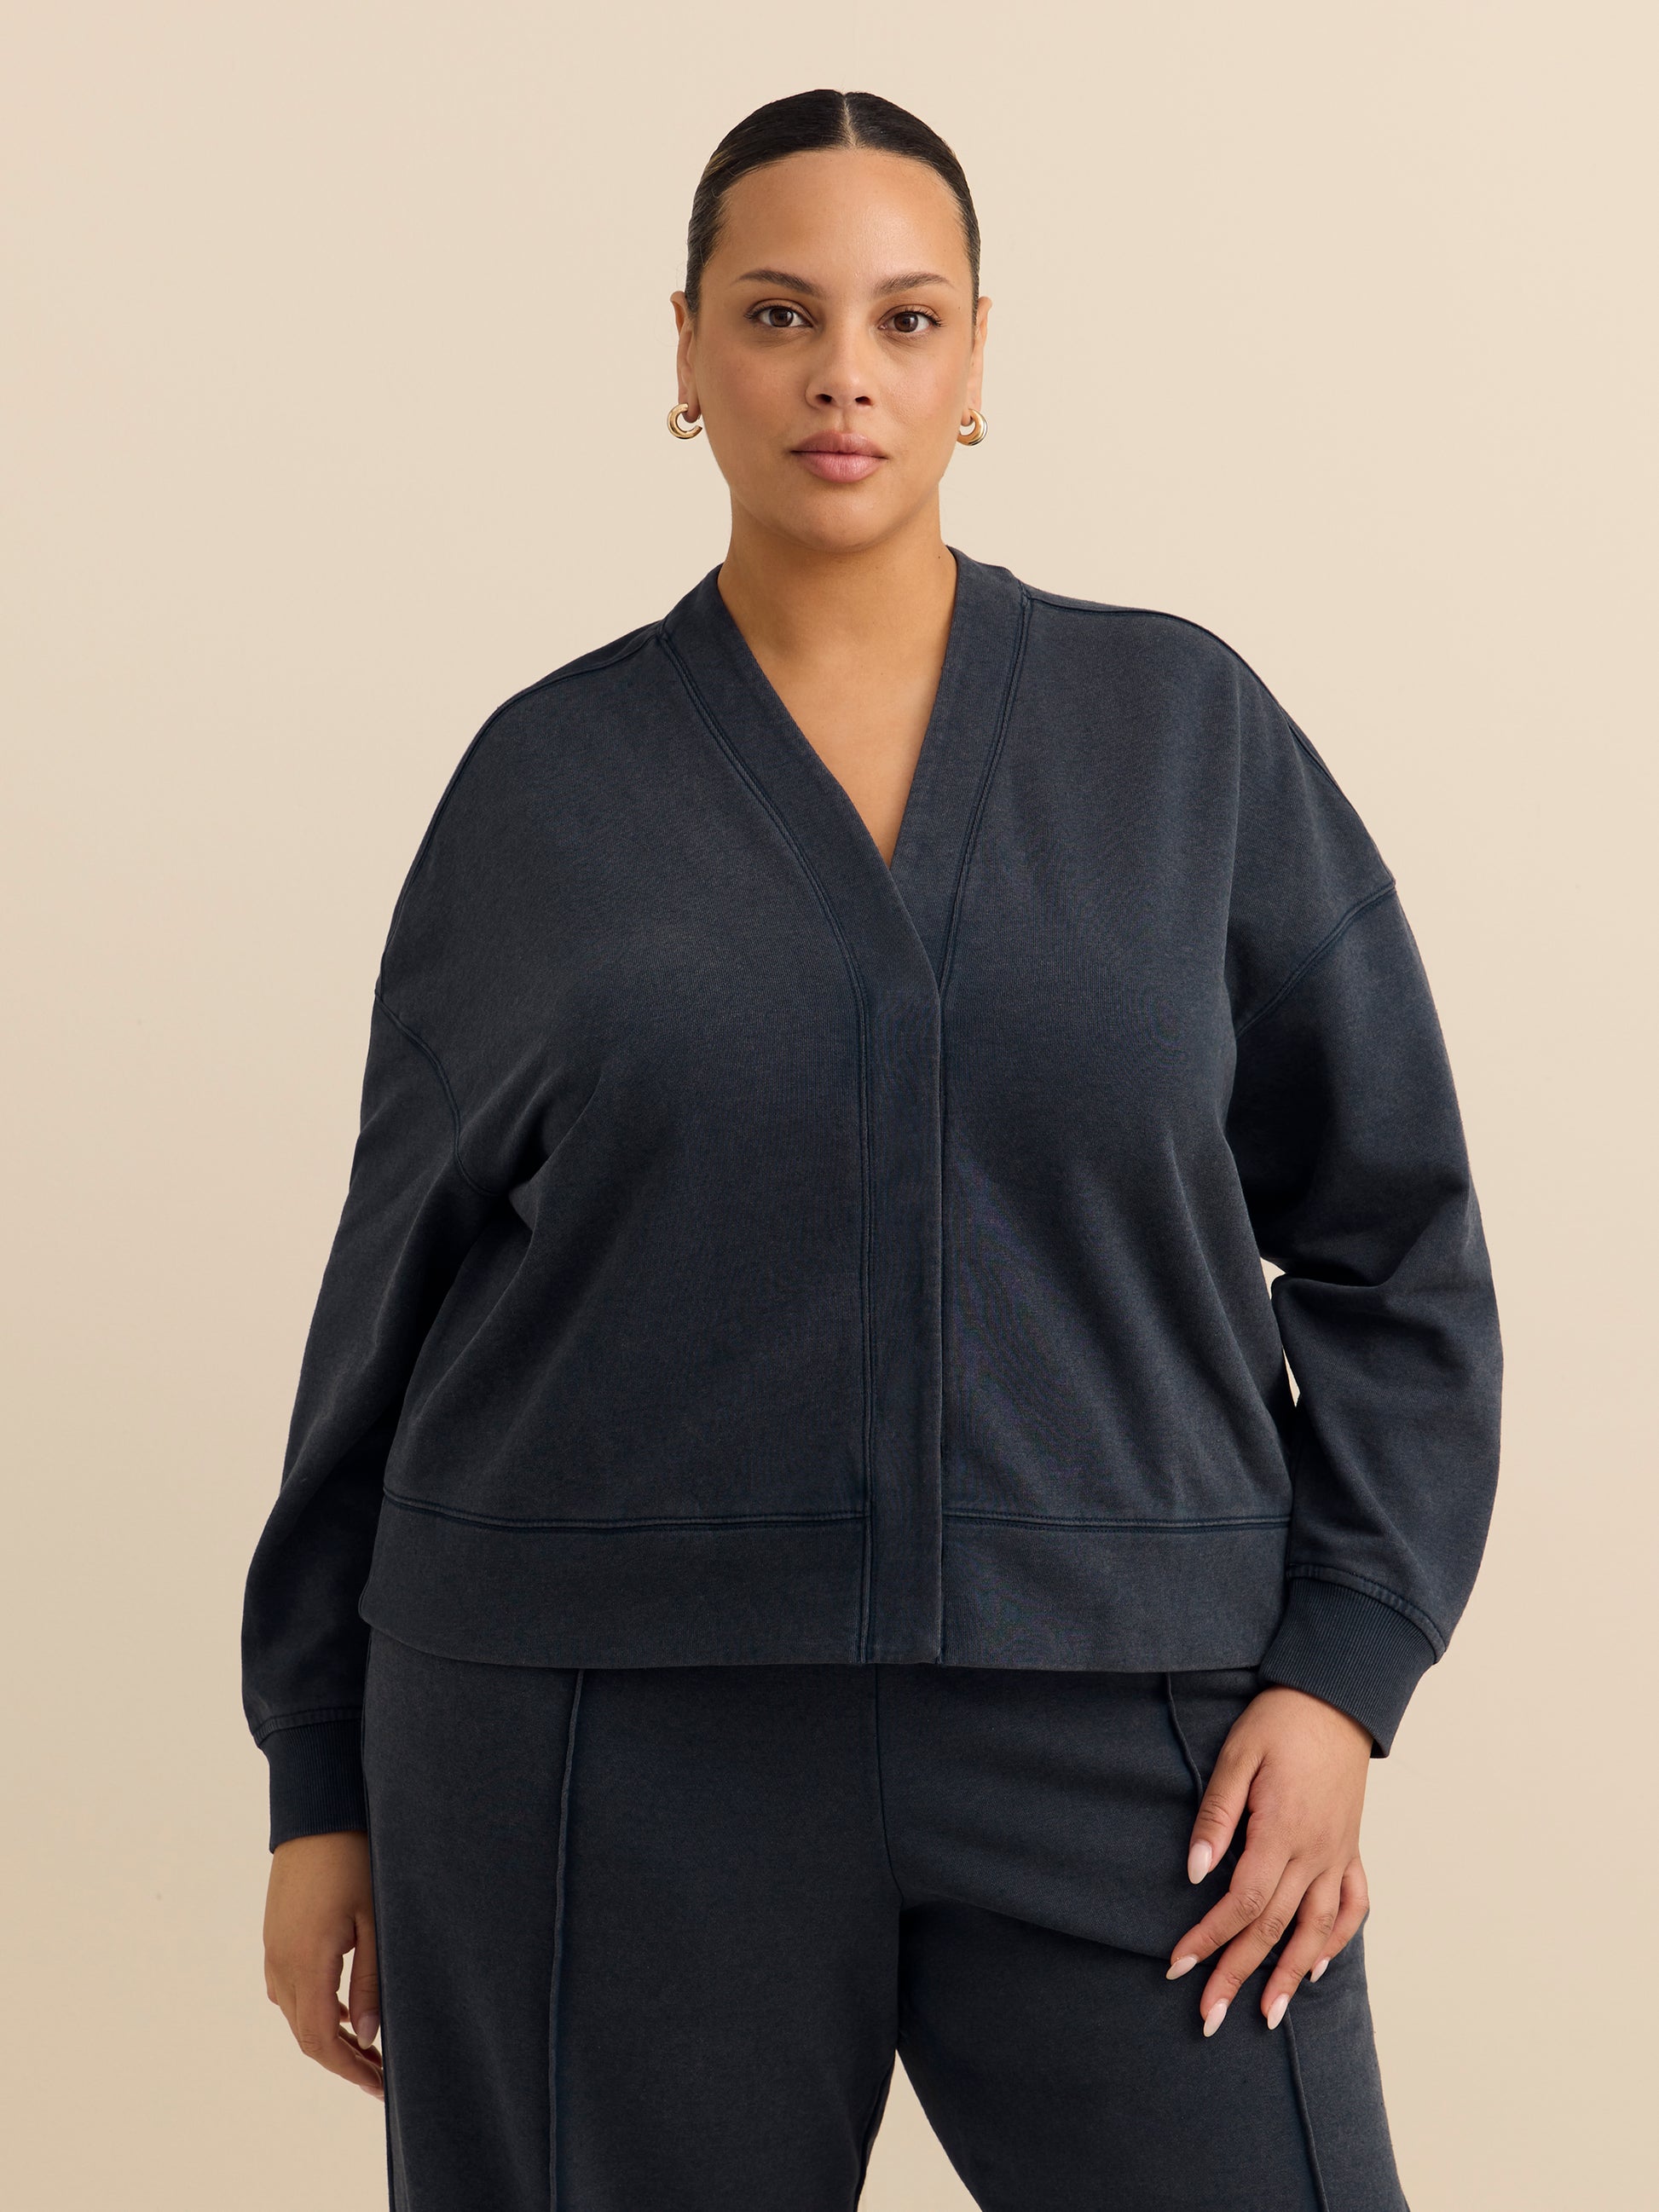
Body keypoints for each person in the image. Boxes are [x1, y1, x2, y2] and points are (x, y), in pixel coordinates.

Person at [245, 87, 1502, 2211]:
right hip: (596, 1728)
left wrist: (1341, 1670)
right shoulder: (546, 786)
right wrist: (318, 1773)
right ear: (684, 351)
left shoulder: (1182, 739)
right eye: (778, 313)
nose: (844, 370)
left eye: (906, 318)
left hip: (1132, 1724)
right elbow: (392, 1302)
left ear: (976, 359)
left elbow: (1397, 1236)